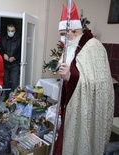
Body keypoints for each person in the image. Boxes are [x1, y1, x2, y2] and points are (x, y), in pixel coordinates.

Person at [53, 2, 115, 155]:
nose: (61, 39)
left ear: (73, 31)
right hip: (71, 104)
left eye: (63, 33)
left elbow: (98, 83)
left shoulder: (93, 47)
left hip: (86, 107)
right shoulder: (73, 46)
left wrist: (71, 76)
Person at [0, 23, 21, 101]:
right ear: (7, 30)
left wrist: (14, 57)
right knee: (6, 81)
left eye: (12, 31)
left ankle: (13, 98)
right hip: (5, 64)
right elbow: (1, 49)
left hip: (14, 64)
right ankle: (7, 96)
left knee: (14, 82)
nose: (10, 32)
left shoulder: (19, 39)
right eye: (9, 30)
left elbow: (21, 52)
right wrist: (3, 54)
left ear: (15, 31)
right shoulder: (3, 38)